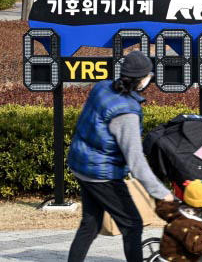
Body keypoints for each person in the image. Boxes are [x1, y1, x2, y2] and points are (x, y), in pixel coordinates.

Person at [67, 51, 174, 262]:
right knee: (132, 225)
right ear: (142, 79)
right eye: (148, 75)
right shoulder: (126, 112)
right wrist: (162, 193)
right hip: (102, 174)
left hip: (81, 165)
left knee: (91, 223)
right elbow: (136, 161)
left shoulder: (102, 86)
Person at [155, 179, 202, 262]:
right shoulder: (192, 224)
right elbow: (195, 245)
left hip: (165, 256)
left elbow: (162, 208)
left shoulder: (175, 209)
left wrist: (163, 199)